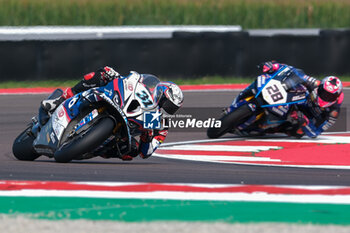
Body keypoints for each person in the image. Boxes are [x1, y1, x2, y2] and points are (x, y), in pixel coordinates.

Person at [41, 66, 184, 160]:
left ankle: (93, 147)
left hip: (125, 131)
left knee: (131, 151)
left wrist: (148, 136)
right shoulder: (144, 86)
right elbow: (132, 78)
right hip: (118, 102)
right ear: (161, 93)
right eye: (168, 104)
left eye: (172, 108)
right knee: (105, 72)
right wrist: (119, 77)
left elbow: (146, 153)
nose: (167, 109)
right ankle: (61, 99)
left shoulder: (162, 125)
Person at [235, 61, 343, 138]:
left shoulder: (333, 112)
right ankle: (247, 95)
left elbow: (315, 133)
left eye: (330, 96)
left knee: (298, 132)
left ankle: (269, 129)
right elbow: (294, 72)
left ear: (336, 97)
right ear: (320, 88)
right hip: (296, 101)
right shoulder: (315, 84)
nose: (326, 97)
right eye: (324, 93)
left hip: (304, 118)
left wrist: (305, 123)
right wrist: (275, 66)